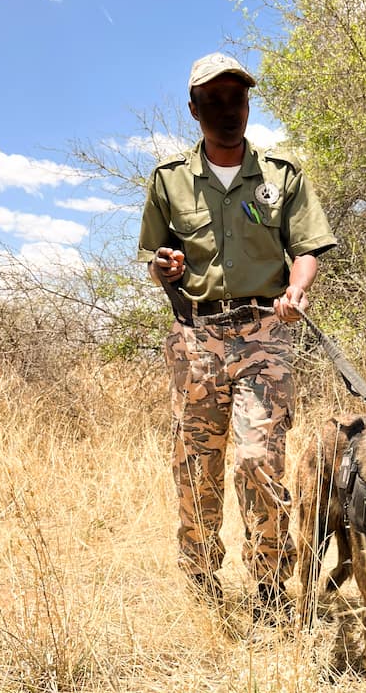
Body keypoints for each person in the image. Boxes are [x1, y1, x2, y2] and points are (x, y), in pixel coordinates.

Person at [137, 51, 337, 616]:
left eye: (238, 100)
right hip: (196, 338)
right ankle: (202, 579)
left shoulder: (281, 176)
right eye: (216, 102)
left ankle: (271, 588)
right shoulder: (169, 181)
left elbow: (305, 249)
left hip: (265, 335)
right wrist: (165, 268)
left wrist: (297, 290)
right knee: (196, 462)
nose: (229, 111)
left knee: (258, 457)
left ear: (249, 106)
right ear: (194, 109)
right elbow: (155, 258)